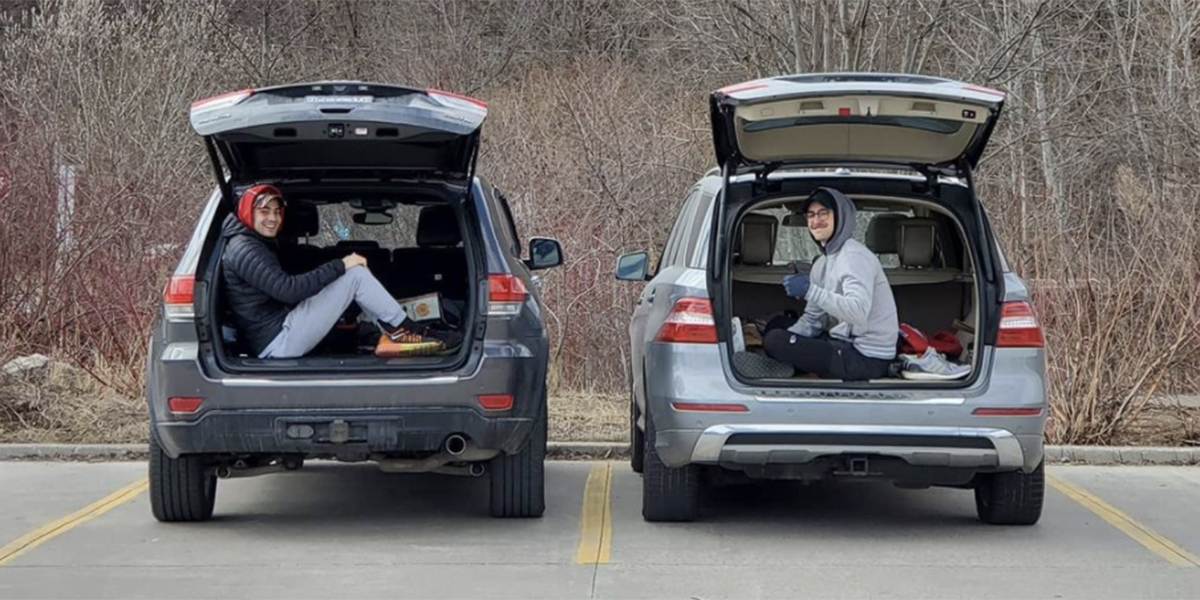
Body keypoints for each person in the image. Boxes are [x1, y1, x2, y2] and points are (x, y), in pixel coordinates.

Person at [220, 184, 457, 359]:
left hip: (277, 332)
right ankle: (405, 331)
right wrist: (341, 264)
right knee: (355, 275)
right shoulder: (245, 249)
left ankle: (394, 331)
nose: (272, 218)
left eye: (277, 212)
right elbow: (288, 291)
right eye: (264, 212)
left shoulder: (253, 243)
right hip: (276, 342)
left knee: (354, 283)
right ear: (247, 212)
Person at [761, 187, 898, 380]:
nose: (816, 221)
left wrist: (810, 291)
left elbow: (858, 312)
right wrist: (792, 337)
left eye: (823, 213)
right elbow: (813, 320)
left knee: (775, 340)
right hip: (840, 343)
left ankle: (786, 365)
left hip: (867, 357)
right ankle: (786, 361)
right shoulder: (823, 263)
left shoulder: (854, 256)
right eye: (811, 215)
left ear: (841, 217)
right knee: (777, 326)